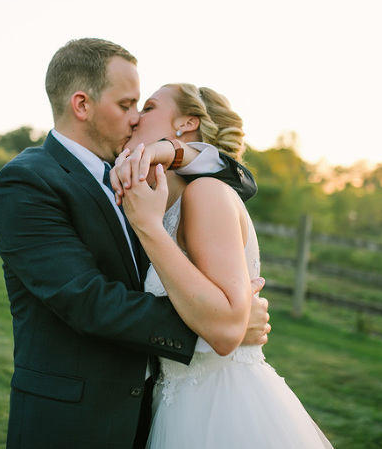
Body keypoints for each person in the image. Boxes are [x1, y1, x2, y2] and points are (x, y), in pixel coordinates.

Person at [0, 38, 271, 449]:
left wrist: (170, 150)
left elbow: (238, 177)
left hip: (151, 416)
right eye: (126, 106)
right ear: (82, 105)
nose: (136, 118)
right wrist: (214, 326)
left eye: (143, 107)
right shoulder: (29, 179)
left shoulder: (134, 179)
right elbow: (87, 300)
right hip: (70, 422)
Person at [114, 83, 334, 448]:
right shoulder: (167, 203)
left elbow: (226, 328)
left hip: (223, 410)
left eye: (149, 107)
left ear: (186, 123)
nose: (135, 117)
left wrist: (147, 226)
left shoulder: (206, 193)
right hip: (177, 406)